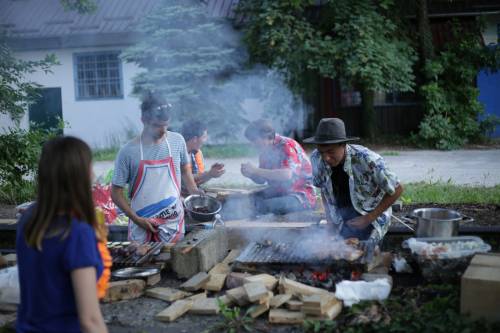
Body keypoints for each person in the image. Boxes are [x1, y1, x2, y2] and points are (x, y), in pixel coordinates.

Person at [16, 136, 107, 333]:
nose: (92, 174)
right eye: (89, 167)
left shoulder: (28, 218)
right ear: (78, 175)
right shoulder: (77, 233)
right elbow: (90, 320)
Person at [111, 92, 201, 244]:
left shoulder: (177, 141)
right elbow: (115, 193)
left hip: (172, 223)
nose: (163, 131)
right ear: (143, 120)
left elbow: (185, 170)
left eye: (165, 125)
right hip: (140, 224)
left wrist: (196, 196)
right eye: (157, 126)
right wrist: (136, 219)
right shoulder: (128, 151)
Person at [304, 118, 403, 243]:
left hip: (372, 217)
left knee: (365, 252)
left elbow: (398, 189)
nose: (326, 158)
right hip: (340, 219)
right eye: (321, 152)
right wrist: (329, 221)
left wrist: (368, 218)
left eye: (330, 152)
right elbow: (324, 190)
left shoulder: (367, 159)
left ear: (343, 145)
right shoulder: (316, 158)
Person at [241, 119, 316, 215]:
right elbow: (262, 180)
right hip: (279, 193)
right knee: (247, 200)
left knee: (261, 206)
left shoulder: (286, 146)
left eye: (254, 140)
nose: (252, 144)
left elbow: (286, 175)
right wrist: (251, 174)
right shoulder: (265, 150)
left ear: (266, 137)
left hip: (300, 197)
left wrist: (256, 170)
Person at [181, 120, 225, 194]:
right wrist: (209, 174)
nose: (205, 140)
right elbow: (184, 179)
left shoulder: (197, 153)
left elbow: (197, 180)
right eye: (204, 137)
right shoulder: (178, 153)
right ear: (195, 139)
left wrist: (211, 174)